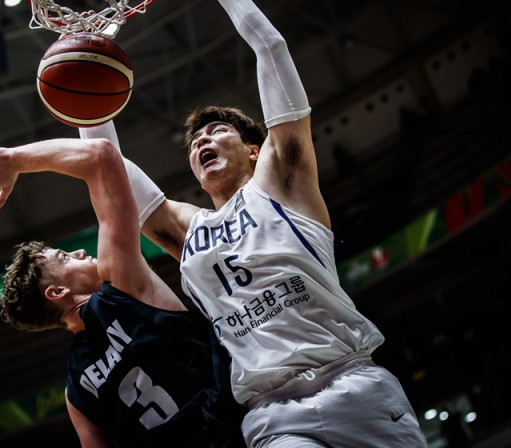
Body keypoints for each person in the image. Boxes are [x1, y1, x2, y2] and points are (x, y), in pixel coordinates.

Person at [107, 0, 430, 446]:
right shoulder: (188, 230)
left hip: (350, 382)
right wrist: (93, 94)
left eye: (218, 131)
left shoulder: (283, 183)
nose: (203, 138)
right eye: (196, 140)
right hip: (273, 416)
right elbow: (110, 171)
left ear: (255, 150)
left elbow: (271, 47)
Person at [0, 122, 247, 448]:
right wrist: (14, 159)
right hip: (242, 434)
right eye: (64, 257)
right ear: (58, 292)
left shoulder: (76, 393)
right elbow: (102, 156)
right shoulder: (121, 289)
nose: (77, 251)